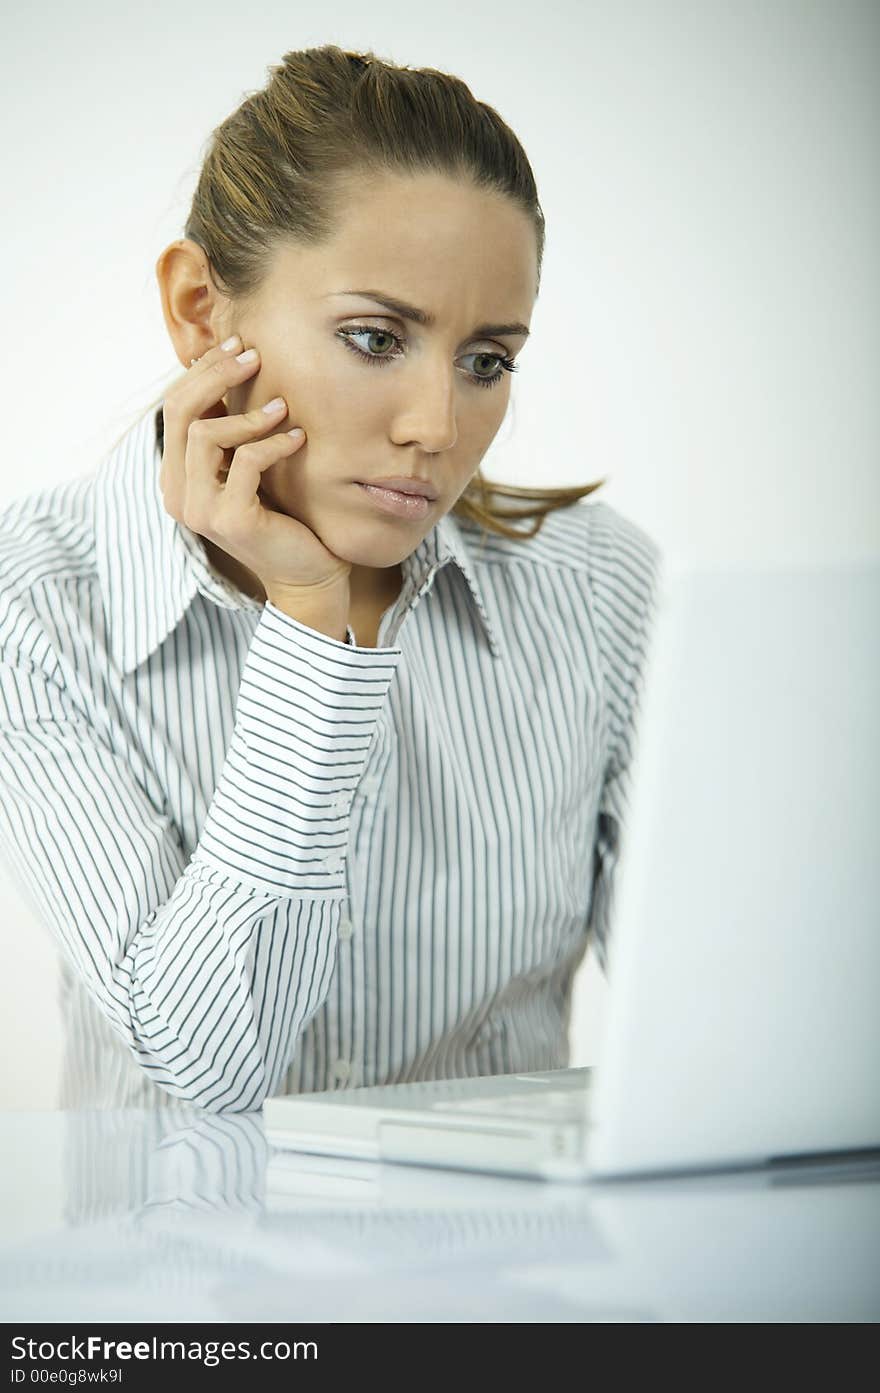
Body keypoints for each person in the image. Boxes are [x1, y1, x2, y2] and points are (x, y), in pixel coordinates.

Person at [0, 45, 661, 1112]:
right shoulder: (31, 605)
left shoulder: (598, 591)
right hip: (179, 1268)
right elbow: (214, 1061)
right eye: (373, 336)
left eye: (485, 360)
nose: (436, 429)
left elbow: (727, 1029)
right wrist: (310, 627)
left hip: (503, 1272)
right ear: (202, 310)